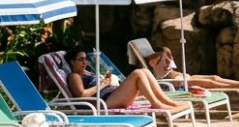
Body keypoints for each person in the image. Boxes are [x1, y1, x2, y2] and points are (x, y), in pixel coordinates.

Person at [63, 48, 191, 112]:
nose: (85, 62)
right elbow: (82, 94)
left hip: (111, 95)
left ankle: (166, 101)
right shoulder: (74, 76)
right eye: (80, 59)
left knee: (144, 71)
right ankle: (157, 104)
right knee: (137, 73)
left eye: (85, 59)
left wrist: (105, 80)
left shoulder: (86, 73)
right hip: (105, 102)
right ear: (72, 62)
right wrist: (103, 83)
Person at [145, 47, 239, 90]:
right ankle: (238, 86)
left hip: (183, 77)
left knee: (214, 77)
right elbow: (158, 70)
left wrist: (166, 56)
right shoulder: (152, 61)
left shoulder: (163, 58)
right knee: (209, 82)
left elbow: (170, 65)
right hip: (176, 82)